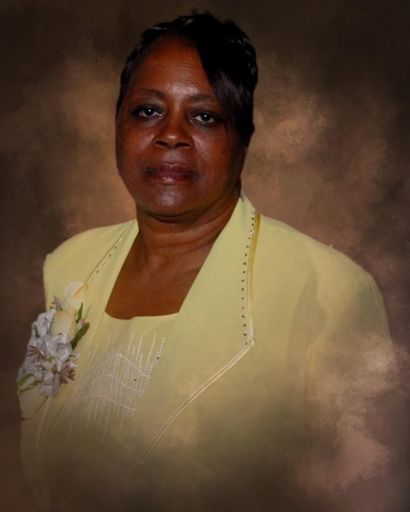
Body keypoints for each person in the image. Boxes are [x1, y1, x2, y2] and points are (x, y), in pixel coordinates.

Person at [18, 11, 398, 512]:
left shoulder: (330, 293)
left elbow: (368, 496)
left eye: (204, 117)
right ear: (117, 124)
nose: (171, 135)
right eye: (147, 111)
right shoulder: (71, 264)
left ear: (243, 137)